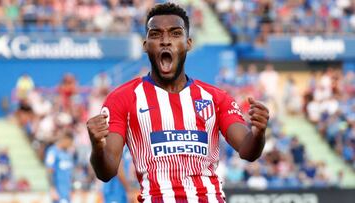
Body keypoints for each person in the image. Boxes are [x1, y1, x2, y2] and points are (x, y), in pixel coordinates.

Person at [87, 3, 269, 202]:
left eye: (175, 33)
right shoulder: (122, 98)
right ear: (146, 44)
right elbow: (106, 171)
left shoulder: (216, 98)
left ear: (188, 43)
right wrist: (97, 146)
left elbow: (247, 150)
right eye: (156, 34)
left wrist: (258, 133)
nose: (165, 41)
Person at [45, 131, 74, 203]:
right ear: (65, 140)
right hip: (58, 192)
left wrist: (71, 190)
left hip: (67, 193)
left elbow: (69, 175)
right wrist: (52, 189)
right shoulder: (52, 152)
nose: (70, 145)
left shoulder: (68, 154)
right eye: (70, 143)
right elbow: (49, 171)